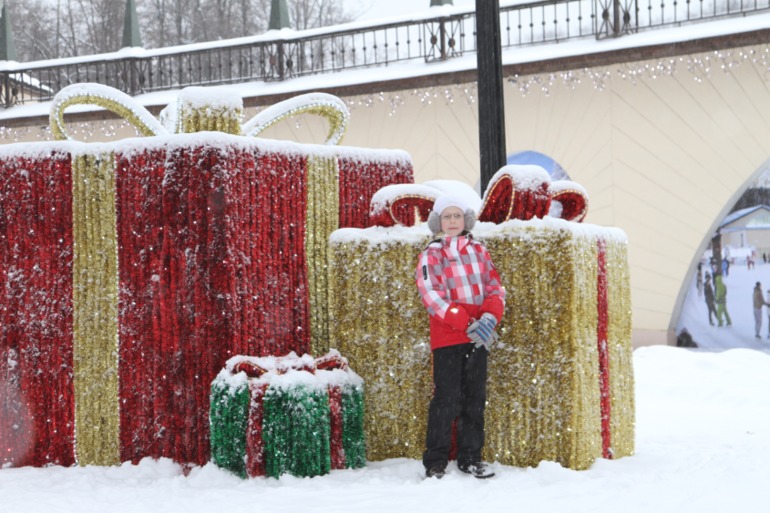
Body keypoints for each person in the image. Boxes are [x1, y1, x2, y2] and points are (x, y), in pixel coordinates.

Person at [415, 195, 505, 480]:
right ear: (437, 222)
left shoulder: (479, 249)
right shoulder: (433, 253)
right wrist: (465, 322)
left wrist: (490, 318)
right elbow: (431, 294)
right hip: (449, 336)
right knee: (447, 398)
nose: (452, 222)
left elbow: (494, 286)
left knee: (474, 399)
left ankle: (470, 457)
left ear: (466, 219)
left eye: (457, 216)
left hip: (479, 336)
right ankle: (436, 460)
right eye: (446, 217)